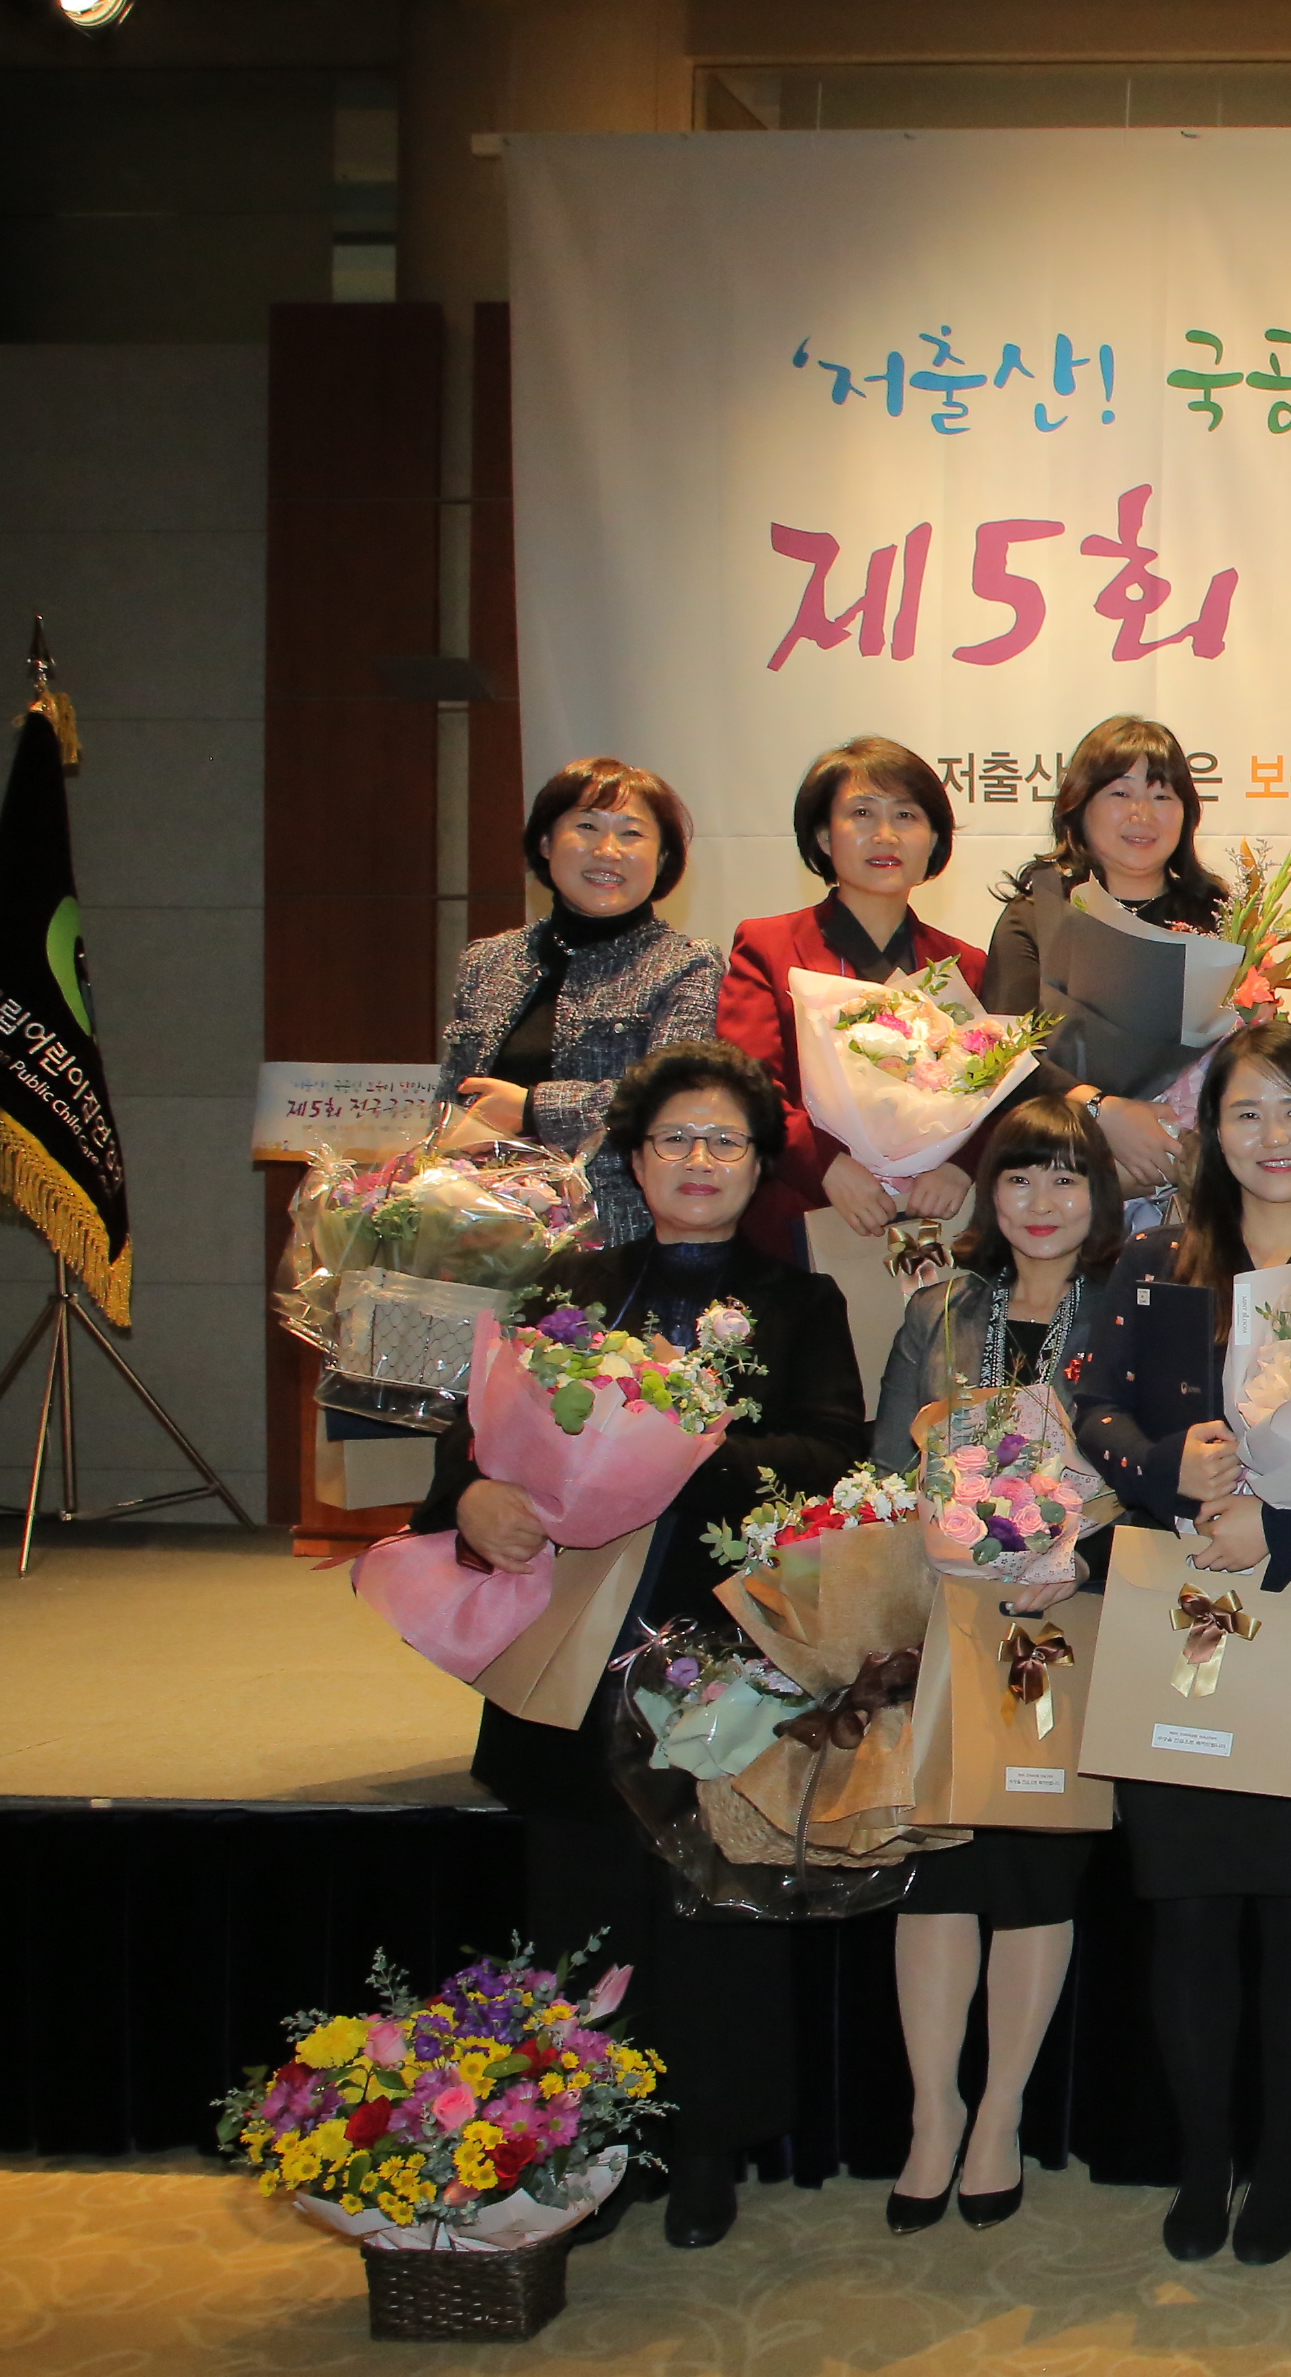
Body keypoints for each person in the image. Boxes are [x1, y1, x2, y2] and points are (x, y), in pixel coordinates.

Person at [410, 1040, 864, 2247]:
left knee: (712, 1899)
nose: (699, 1160)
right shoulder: (568, 1287)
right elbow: (475, 1437)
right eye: (675, 1138)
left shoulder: (801, 1303)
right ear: (635, 1157)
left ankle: (708, 2143)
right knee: (583, 1902)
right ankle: (588, 2141)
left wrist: (686, 1452)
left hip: (715, 1640)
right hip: (570, 1638)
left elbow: (833, 1456)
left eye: (725, 1141)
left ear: (759, 1166)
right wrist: (471, 1498)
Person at [1069, 1021, 1291, 2267]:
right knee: (1192, 1909)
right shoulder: (1158, 1262)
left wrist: (1289, 1513)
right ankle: (1204, 2163)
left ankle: (1281, 2168)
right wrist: (1167, 1463)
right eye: (1247, 1112)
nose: (1275, 1136)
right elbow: (1088, 1401)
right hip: (1180, 1614)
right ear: (1212, 1132)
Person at [866, 1094, 1117, 2232]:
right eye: (1019, 1176)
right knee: (938, 1874)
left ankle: (1001, 2112)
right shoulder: (940, 1307)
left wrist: (1079, 1550)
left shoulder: (1128, 1308)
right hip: (946, 1623)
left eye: (1067, 1177)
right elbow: (883, 1467)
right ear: (989, 1192)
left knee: (1035, 1874)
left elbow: (1147, 1471)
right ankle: (932, 2111)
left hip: (1068, 1624)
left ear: (1100, 1195)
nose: (1042, 1201)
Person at [719, 738, 988, 1265]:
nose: (885, 835)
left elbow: (997, 1098)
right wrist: (825, 1165)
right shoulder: (770, 947)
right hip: (806, 1212)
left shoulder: (966, 964)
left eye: (906, 815)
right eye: (861, 813)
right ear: (824, 836)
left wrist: (962, 1165)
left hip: (935, 1216)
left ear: (934, 840)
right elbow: (745, 1085)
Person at [435, 757, 724, 1245]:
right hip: (482, 1230)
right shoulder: (487, 960)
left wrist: (533, 1109)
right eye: (587, 827)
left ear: (662, 859)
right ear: (547, 843)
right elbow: (450, 1103)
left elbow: (673, 1100)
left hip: (617, 1233)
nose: (607, 850)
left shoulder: (687, 963)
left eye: (631, 834)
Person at [978, 715, 1232, 1209]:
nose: (1143, 814)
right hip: (1061, 1182)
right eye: (1120, 793)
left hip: (1196, 1190)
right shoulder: (1038, 915)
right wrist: (1102, 1111)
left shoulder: (1221, 920)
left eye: (1162, 796)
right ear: (1079, 807)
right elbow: (1003, 1057)